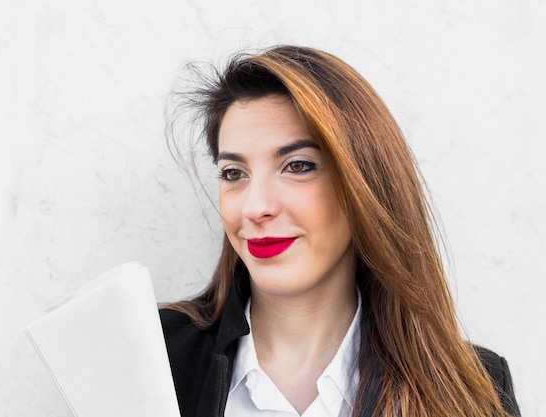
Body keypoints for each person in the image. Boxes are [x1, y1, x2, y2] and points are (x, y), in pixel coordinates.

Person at [160, 45, 520, 417]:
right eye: (234, 173)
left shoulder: (472, 389)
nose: (254, 208)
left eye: (297, 166)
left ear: (365, 184)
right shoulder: (155, 354)